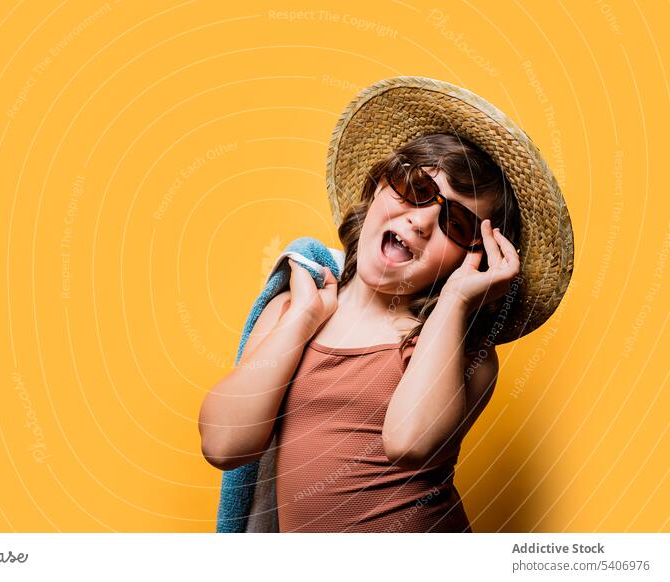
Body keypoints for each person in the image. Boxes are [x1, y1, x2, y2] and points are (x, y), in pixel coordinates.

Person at [199, 77, 573, 532]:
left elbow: (410, 441)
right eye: (415, 189)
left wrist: (455, 299)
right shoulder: (292, 311)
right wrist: (301, 318)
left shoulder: (460, 352)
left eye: (455, 224)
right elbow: (223, 444)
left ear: (472, 257)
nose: (420, 221)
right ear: (377, 186)